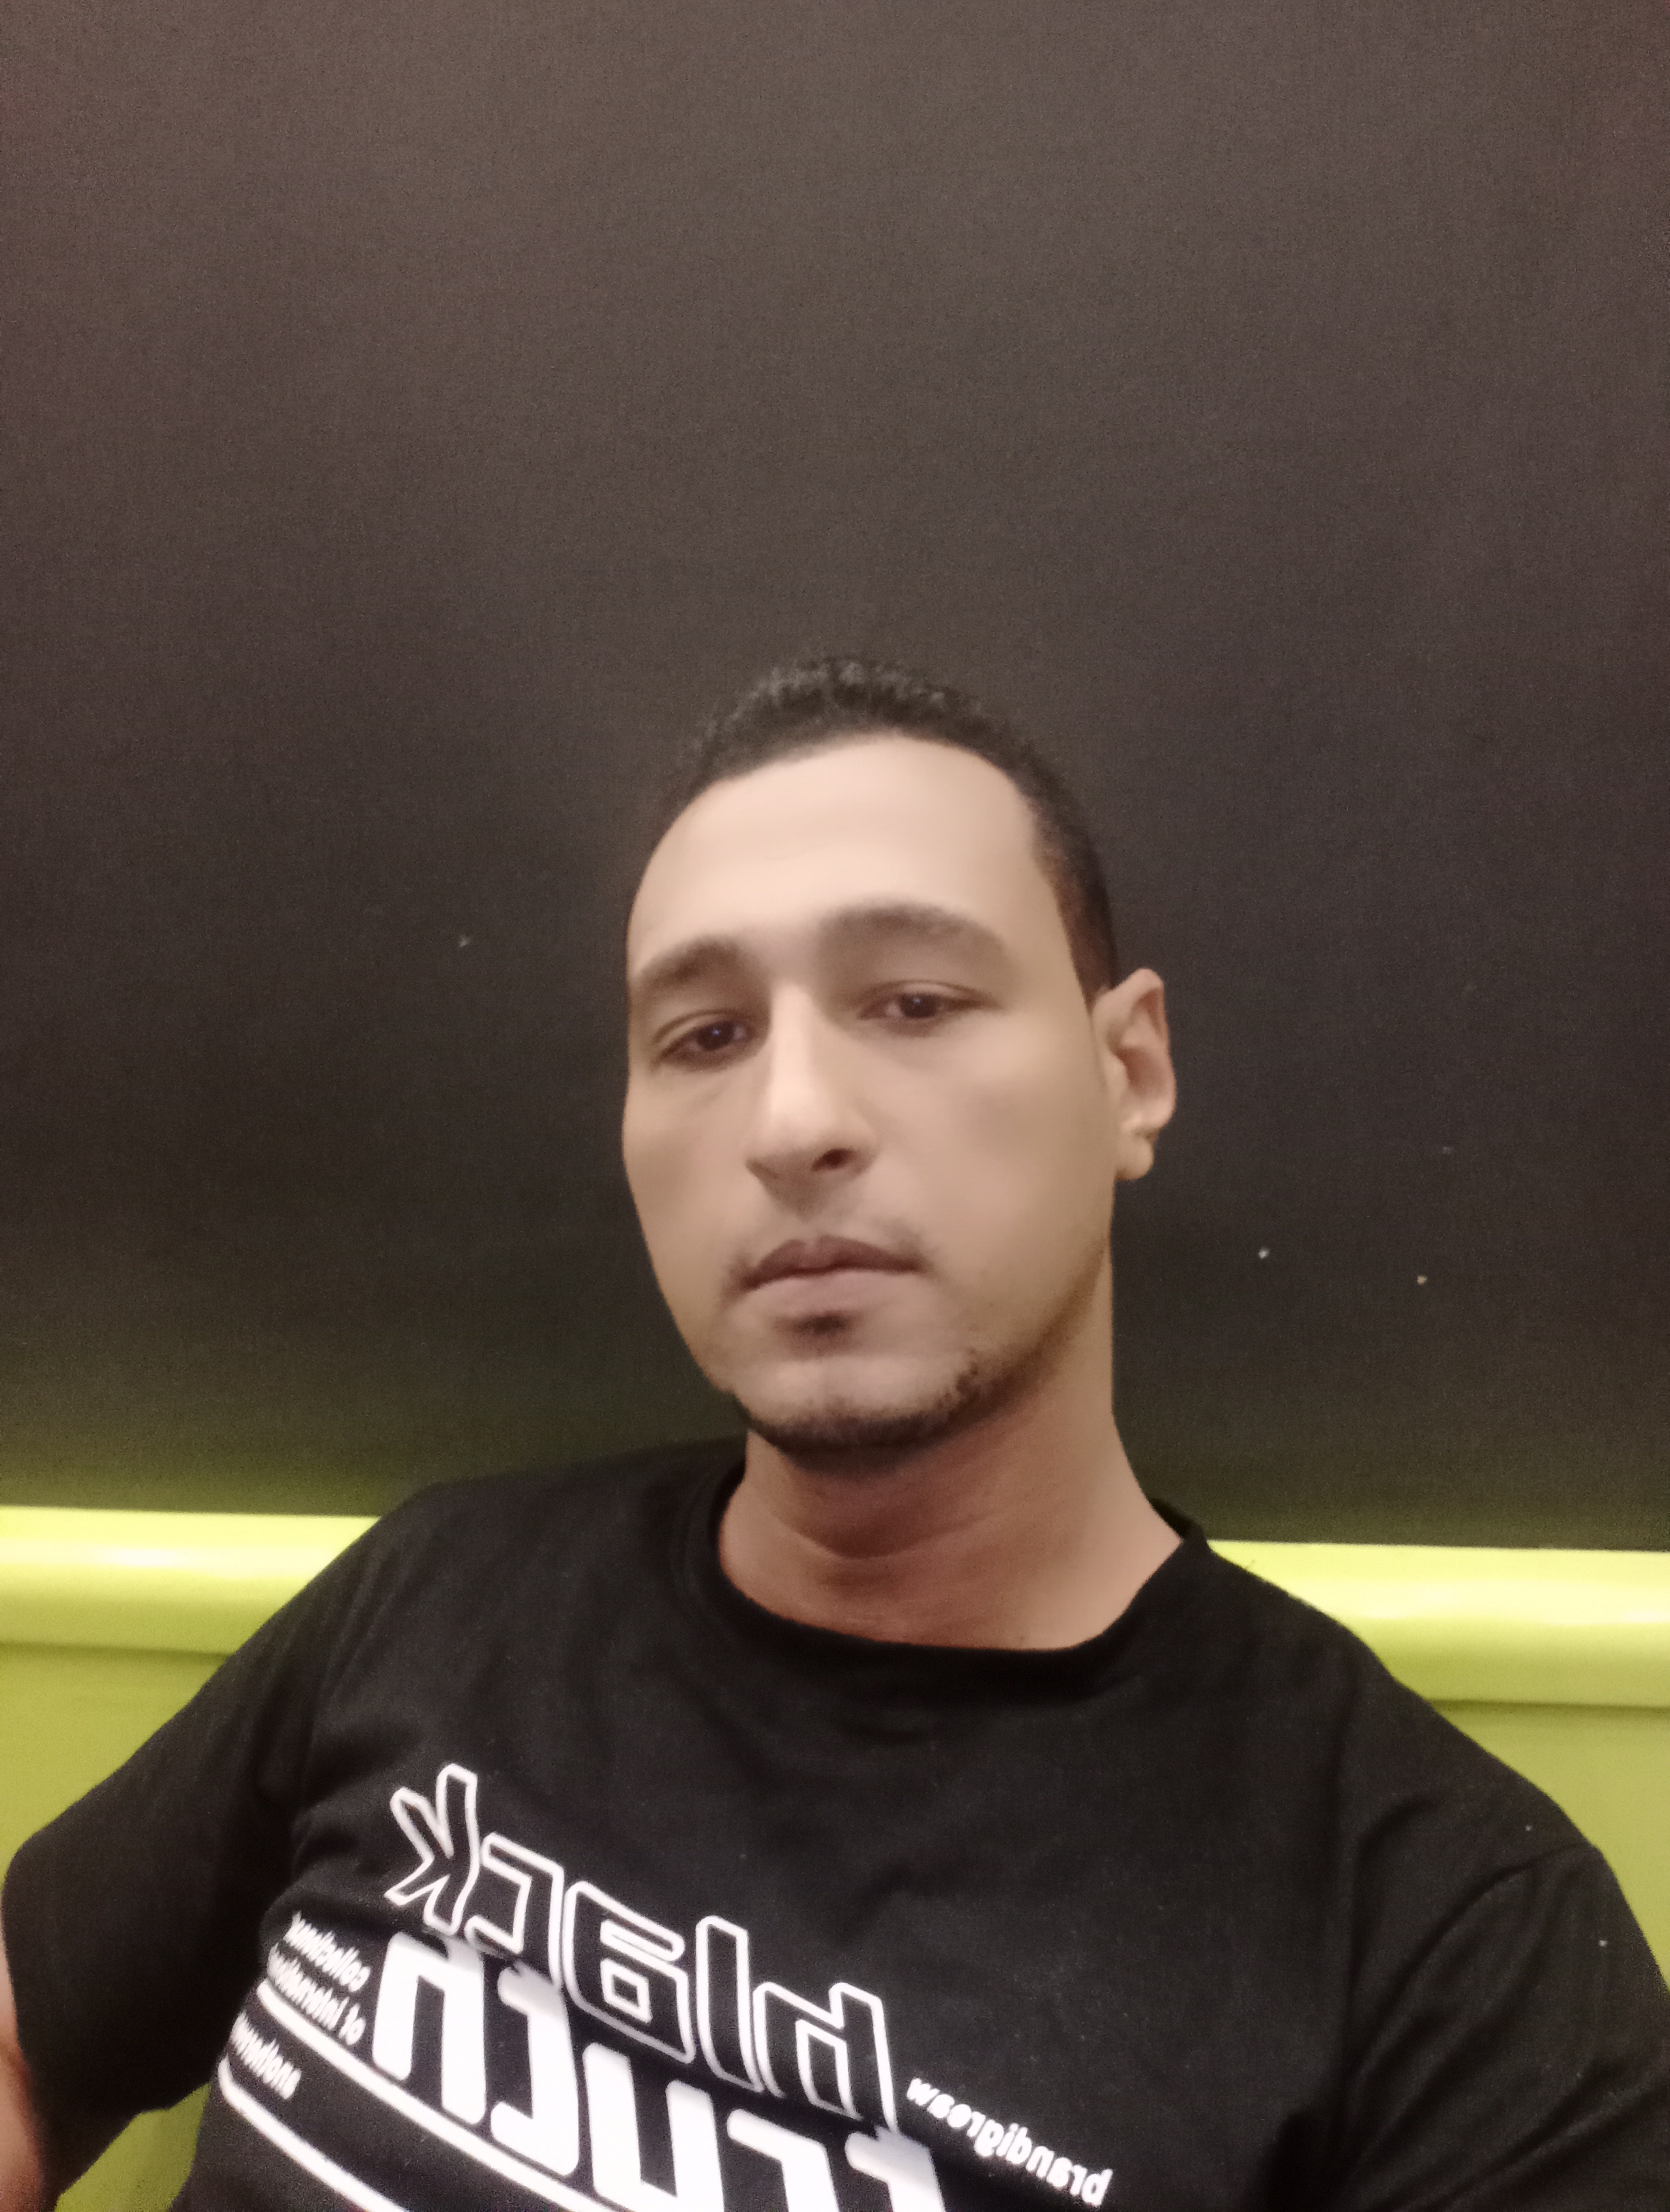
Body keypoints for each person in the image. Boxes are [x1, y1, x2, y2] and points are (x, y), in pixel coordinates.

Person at [1, 658, 1666, 2211]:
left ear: (1131, 1072)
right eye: (705, 1037)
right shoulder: (437, 1597)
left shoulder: (1454, 1945)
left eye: (917, 1001)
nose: (793, 1122)